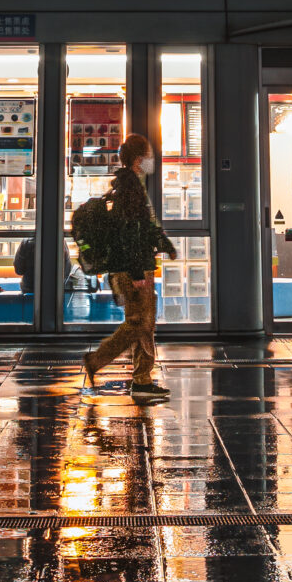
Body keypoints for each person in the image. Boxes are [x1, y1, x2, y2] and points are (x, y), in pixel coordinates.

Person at [82, 133, 176, 403]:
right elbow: (131, 234)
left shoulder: (129, 186)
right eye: (147, 156)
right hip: (133, 269)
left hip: (133, 266)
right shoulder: (130, 190)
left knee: (144, 325)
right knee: (139, 324)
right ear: (137, 160)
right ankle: (98, 360)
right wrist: (137, 274)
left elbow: (144, 229)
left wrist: (164, 243)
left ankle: (142, 380)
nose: (151, 160)